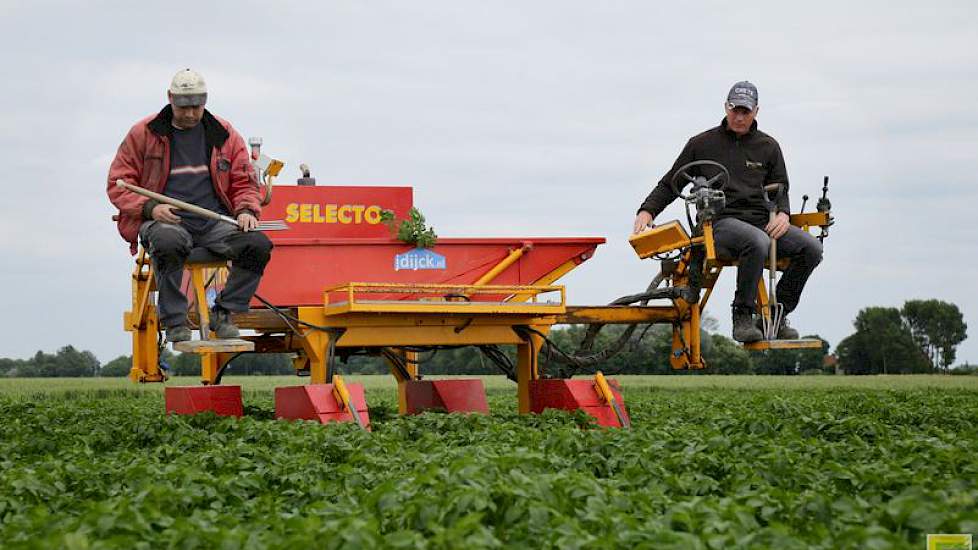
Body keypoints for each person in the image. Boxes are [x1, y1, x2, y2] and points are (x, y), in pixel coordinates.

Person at [632, 81, 822, 343]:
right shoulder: (702, 144)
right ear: (726, 107)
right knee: (757, 242)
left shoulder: (768, 147)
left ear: (756, 111)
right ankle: (742, 315)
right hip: (719, 224)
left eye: (745, 111)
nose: (739, 116)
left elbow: (781, 188)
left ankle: (775, 315)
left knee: (811, 248)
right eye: (734, 109)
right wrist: (647, 211)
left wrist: (783, 214)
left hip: (761, 220)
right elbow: (669, 183)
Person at [107, 69, 273, 342]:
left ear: (205, 102)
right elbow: (118, 183)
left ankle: (225, 312)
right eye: (184, 107)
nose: (190, 114)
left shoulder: (224, 134)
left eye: (197, 107)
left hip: (213, 222)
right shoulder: (143, 133)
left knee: (256, 245)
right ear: (170, 98)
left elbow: (243, 181)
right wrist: (150, 208)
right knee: (167, 240)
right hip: (165, 221)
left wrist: (245, 210)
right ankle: (175, 322)